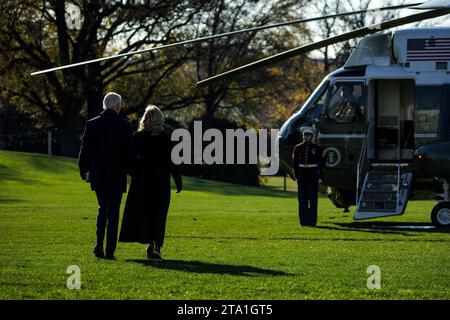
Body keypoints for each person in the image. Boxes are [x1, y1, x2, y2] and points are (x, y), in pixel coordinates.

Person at [119, 105, 182, 260]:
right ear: (160, 120)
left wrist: (135, 174)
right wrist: (178, 181)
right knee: (159, 215)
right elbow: (172, 162)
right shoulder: (167, 137)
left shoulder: (137, 137)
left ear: (145, 120)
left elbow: (129, 160)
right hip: (161, 182)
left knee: (145, 213)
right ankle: (157, 247)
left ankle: (149, 243)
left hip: (142, 182)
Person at [78, 92, 133, 259]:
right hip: (116, 175)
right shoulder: (125, 125)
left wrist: (83, 169)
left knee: (102, 208)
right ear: (118, 106)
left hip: (98, 174)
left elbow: (84, 150)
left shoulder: (92, 124)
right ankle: (110, 250)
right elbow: (129, 153)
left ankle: (98, 244)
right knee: (113, 211)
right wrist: (132, 171)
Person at [291, 126, 325, 227]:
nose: (307, 137)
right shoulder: (298, 148)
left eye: (309, 135)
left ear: (312, 136)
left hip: (313, 176)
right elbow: (294, 163)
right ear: (303, 136)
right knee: (302, 200)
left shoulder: (318, 149)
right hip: (302, 176)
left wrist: (320, 177)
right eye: (305, 135)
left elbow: (322, 164)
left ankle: (312, 222)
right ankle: (304, 222)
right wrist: (296, 176)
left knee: (313, 200)